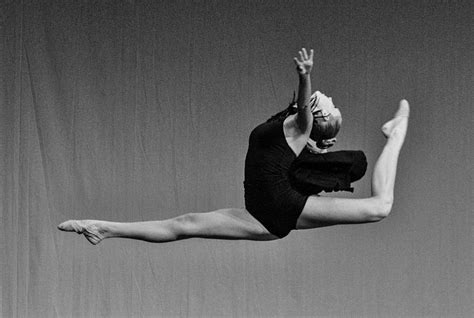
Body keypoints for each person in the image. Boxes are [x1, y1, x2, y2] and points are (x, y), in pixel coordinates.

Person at [58, 48, 409, 245]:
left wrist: (305, 76)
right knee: (186, 223)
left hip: (279, 203)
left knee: (380, 207)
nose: (329, 97)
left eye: (329, 103)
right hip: (260, 210)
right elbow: (300, 111)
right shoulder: (287, 125)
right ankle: (103, 227)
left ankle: (394, 134)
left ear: (316, 115)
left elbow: (304, 108)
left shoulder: (300, 126)